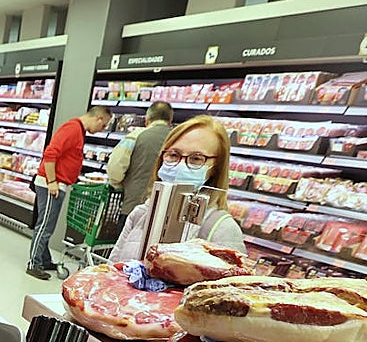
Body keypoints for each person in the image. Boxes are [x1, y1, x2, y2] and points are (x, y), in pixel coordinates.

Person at [109, 115, 245, 261]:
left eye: (196, 158)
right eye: (173, 155)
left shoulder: (222, 229)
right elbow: (110, 271)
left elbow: (230, 281)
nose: (180, 165)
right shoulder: (140, 214)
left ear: (216, 168)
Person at [26, 105, 113, 279]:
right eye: (103, 126)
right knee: (44, 226)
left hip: (57, 183)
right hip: (51, 184)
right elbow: (50, 154)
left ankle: (44, 259)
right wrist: (52, 182)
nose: (102, 129)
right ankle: (33, 264)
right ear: (99, 119)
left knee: (48, 225)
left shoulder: (79, 130)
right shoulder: (72, 128)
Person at [107, 100, 174, 217]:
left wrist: (119, 186)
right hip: (167, 209)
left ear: (147, 119)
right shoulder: (178, 138)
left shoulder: (135, 136)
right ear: (170, 120)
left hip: (135, 204)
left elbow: (115, 169)